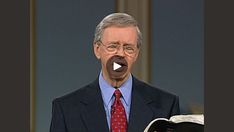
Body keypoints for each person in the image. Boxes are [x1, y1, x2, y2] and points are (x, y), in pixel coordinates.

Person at [50, 13, 180, 132]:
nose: (120, 54)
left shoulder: (166, 106)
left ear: (136, 54)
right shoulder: (66, 109)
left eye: (128, 48)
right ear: (97, 49)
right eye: (113, 46)